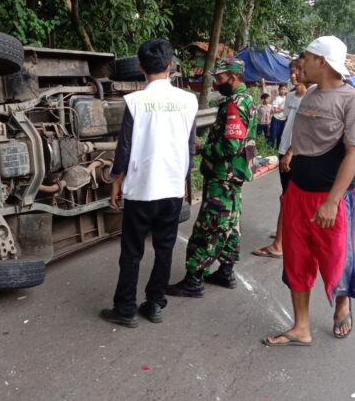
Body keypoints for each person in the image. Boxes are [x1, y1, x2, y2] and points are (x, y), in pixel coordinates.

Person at [263, 35, 355, 347]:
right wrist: (289, 159)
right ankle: (301, 327)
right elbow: (303, 139)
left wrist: (332, 201)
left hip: (333, 197)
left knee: (337, 257)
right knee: (296, 258)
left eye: (307, 58)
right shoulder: (309, 94)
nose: (301, 65)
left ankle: (342, 303)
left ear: (322, 61)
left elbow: (354, 154)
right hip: (299, 191)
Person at [100, 38, 198, 327]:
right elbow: (190, 146)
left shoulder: (135, 101)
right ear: (170, 66)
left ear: (141, 67)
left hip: (142, 189)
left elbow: (125, 147)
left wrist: (116, 180)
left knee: (132, 251)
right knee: (164, 249)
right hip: (171, 188)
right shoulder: (188, 100)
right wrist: (182, 181)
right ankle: (155, 303)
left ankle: (125, 309)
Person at [165, 58, 257, 297]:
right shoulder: (247, 100)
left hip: (223, 176)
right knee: (230, 222)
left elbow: (231, 146)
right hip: (234, 175)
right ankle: (226, 272)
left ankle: (194, 279)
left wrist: (202, 148)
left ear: (234, 78)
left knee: (210, 225)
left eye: (220, 78)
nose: (216, 83)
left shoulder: (235, 104)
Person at [253, 54, 308, 259]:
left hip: (296, 153)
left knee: (288, 198)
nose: (294, 75)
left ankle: (279, 245)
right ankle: (286, 232)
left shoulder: (312, 96)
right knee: (286, 195)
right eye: (291, 71)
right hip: (284, 148)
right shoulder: (291, 96)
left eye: (298, 71)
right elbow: (285, 118)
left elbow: (305, 129)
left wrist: (291, 153)